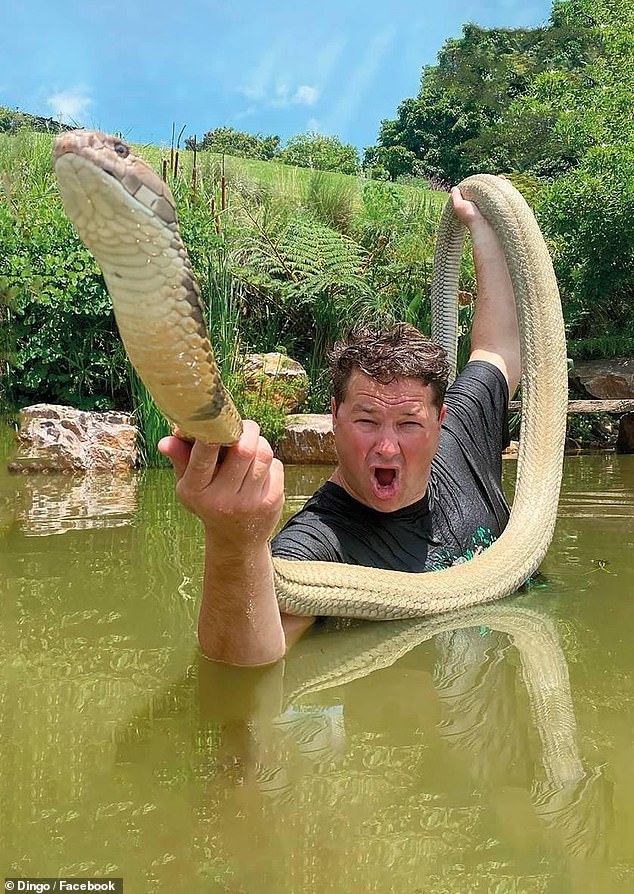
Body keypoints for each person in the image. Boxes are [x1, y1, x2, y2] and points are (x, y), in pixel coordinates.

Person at [159, 183, 521, 667]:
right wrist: (233, 542)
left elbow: (498, 348)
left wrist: (484, 228)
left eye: (409, 424)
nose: (388, 448)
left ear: (441, 419)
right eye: (367, 421)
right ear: (334, 417)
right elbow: (249, 659)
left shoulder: (462, 439)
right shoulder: (317, 543)